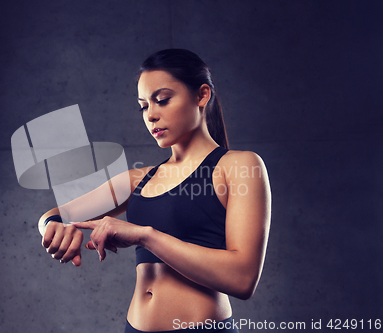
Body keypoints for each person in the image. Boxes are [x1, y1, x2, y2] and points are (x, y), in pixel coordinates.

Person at [39, 49, 271, 333]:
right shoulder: (138, 179)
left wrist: (144, 236)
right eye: (143, 106)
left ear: (202, 95)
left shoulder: (239, 166)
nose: (150, 115)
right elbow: (54, 214)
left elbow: (243, 279)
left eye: (162, 100)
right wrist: (55, 228)